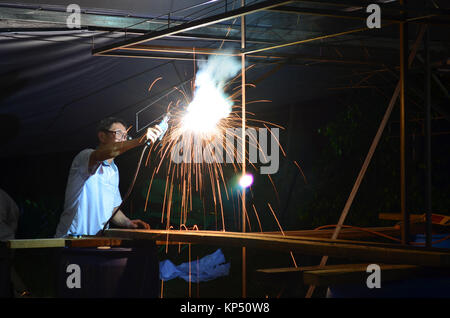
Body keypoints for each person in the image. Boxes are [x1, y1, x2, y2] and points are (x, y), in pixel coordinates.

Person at [55, 117, 163, 237]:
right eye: (118, 133)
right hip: (71, 240)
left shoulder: (114, 170)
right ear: (102, 136)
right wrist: (140, 140)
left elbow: (112, 208)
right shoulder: (85, 157)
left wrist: (128, 223)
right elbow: (101, 154)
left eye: (126, 136)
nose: (123, 139)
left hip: (96, 241)